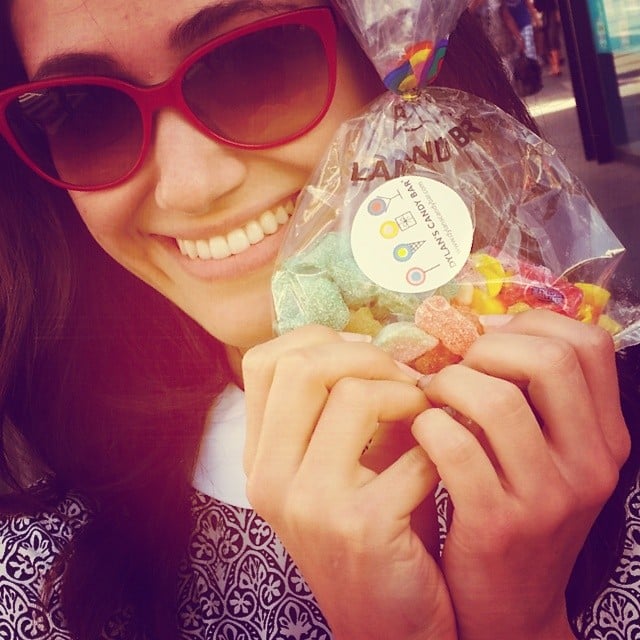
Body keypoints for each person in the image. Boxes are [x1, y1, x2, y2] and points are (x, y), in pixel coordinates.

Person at [0, 1, 638, 639]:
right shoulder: (38, 583)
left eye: (251, 59)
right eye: (82, 110)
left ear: (394, 64)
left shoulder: (606, 422)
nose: (188, 188)